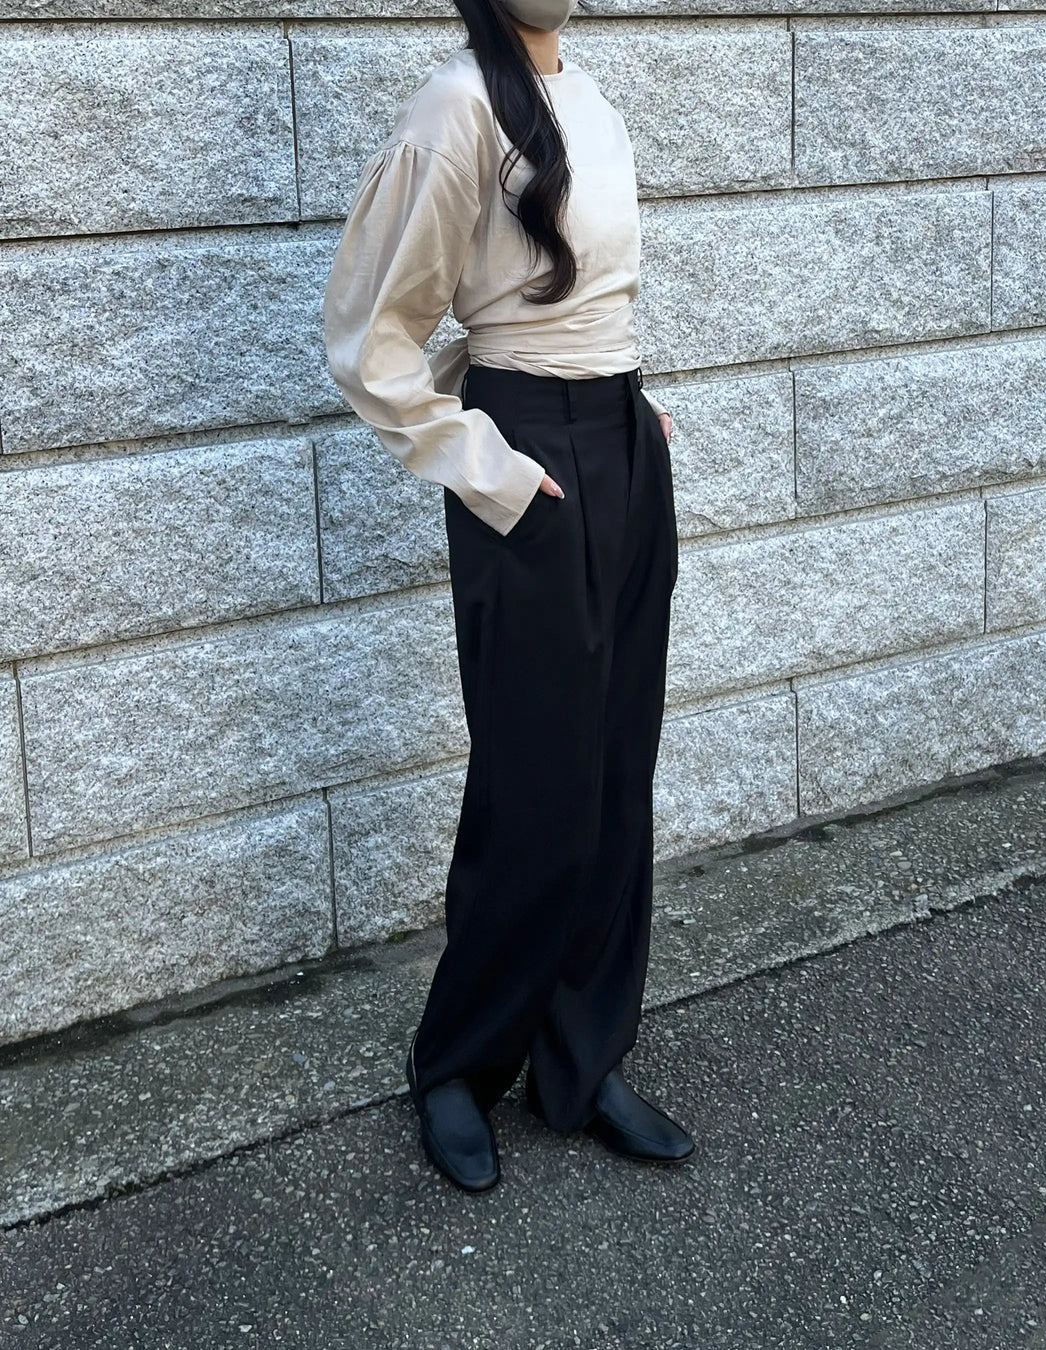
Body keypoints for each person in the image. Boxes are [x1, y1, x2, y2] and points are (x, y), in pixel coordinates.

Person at [323, 0, 693, 1193]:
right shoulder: (456, 108)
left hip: (620, 448)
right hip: (529, 462)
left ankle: (579, 1059)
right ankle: (457, 1064)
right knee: (533, 785)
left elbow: (583, 299)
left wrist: (633, 414)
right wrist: (488, 462)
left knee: (614, 777)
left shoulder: (590, 97)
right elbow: (373, 338)